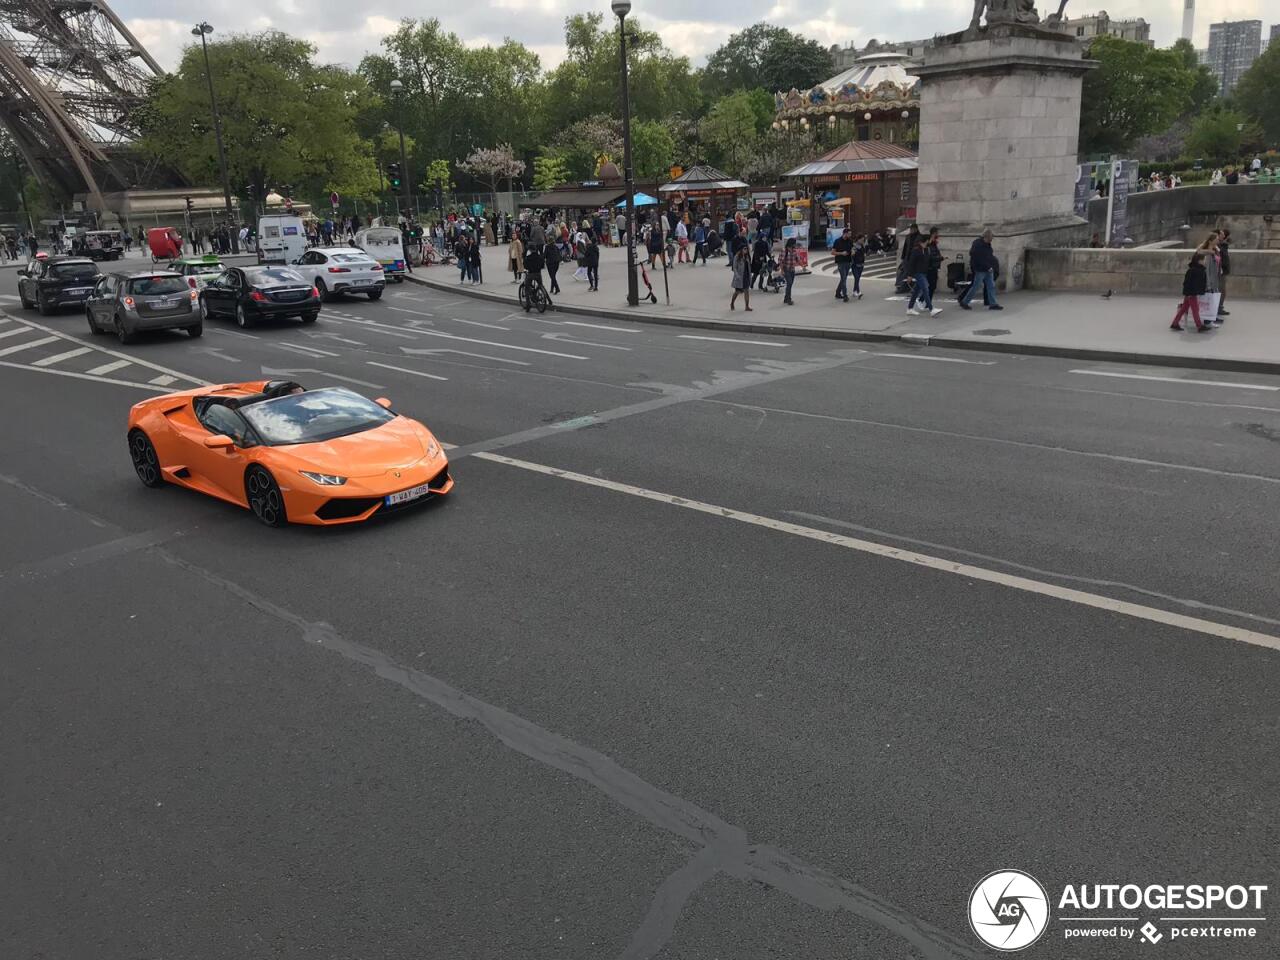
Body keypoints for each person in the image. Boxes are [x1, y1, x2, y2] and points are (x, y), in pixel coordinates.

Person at [958, 229, 1001, 311]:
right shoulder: (978, 245)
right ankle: (965, 302)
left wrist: (990, 266)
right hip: (980, 269)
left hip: (988, 269)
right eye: (991, 238)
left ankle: (993, 304)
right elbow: (978, 258)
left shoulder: (987, 244)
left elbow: (989, 256)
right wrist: (988, 267)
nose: (992, 240)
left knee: (991, 286)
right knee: (975, 287)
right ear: (987, 237)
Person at [1171, 253, 1208, 332]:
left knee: (1184, 309)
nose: (1205, 261)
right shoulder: (1196, 270)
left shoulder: (1193, 270)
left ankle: (1175, 323)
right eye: (1204, 259)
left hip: (1190, 292)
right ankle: (1199, 326)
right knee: (1195, 309)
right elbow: (1191, 283)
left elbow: (1187, 283)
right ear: (1199, 261)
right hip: (1192, 293)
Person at [905, 236, 941, 317]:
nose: (930, 241)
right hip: (918, 273)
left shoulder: (926, 249)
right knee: (925, 288)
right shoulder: (916, 250)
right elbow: (911, 263)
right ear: (926, 241)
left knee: (916, 291)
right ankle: (932, 309)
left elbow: (931, 259)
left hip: (924, 272)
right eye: (929, 240)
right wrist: (910, 275)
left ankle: (910, 308)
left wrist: (941, 258)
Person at [1198, 233, 1221, 325]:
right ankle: (1208, 320)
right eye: (1216, 239)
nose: (1218, 241)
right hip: (1210, 278)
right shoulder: (1207, 252)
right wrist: (1208, 282)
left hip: (1214, 277)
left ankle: (1212, 317)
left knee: (1212, 299)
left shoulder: (1215, 249)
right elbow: (1207, 268)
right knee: (1208, 299)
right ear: (1211, 241)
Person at [831, 227, 853, 302]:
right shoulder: (837, 241)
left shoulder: (850, 241)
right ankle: (845, 295)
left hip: (848, 261)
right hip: (840, 262)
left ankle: (838, 292)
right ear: (845, 233)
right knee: (843, 278)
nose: (850, 235)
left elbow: (852, 249)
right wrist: (841, 253)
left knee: (844, 278)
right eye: (849, 234)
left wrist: (853, 252)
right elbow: (832, 252)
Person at [729, 243, 752, 311]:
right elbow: (734, 267)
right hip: (740, 277)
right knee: (737, 292)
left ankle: (747, 306)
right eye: (744, 249)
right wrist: (737, 275)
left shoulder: (747, 257)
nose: (746, 250)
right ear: (741, 250)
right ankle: (732, 303)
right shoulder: (737, 257)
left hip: (746, 275)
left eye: (746, 249)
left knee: (746, 291)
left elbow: (749, 266)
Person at [778, 237, 799, 305]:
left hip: (792, 270)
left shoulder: (794, 250)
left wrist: (802, 265)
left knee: (790, 284)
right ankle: (788, 299)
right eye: (794, 243)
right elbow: (780, 261)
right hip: (786, 269)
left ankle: (786, 298)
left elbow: (797, 258)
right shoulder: (784, 251)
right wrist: (782, 270)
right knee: (789, 283)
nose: (795, 245)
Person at [1216, 228, 1231, 318]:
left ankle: (1219, 307)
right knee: (1221, 291)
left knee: (1222, 291)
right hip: (1220, 271)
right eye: (1222, 234)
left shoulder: (1222, 245)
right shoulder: (1218, 246)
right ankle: (1218, 308)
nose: (1223, 235)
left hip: (1223, 270)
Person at [925, 227, 943, 297]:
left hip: (934, 266)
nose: (938, 235)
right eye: (937, 233)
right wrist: (940, 258)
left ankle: (926, 303)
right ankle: (922, 300)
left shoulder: (934, 243)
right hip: (930, 267)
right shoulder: (930, 244)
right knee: (931, 286)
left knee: (932, 286)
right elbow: (931, 256)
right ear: (934, 234)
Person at [850, 232, 866, 300]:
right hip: (855, 264)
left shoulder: (862, 245)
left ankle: (854, 291)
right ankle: (858, 292)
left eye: (863, 240)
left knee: (858, 278)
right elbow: (852, 254)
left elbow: (863, 252)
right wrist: (853, 253)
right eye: (862, 240)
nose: (862, 241)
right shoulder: (854, 246)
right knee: (856, 277)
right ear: (858, 239)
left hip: (861, 264)